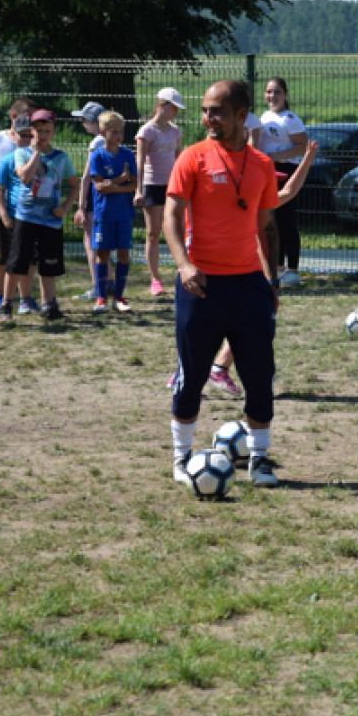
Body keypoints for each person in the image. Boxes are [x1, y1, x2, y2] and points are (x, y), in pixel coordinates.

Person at [163, 79, 282, 488]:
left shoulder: (262, 165)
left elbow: (267, 227)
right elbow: (171, 215)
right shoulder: (192, 158)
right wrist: (184, 265)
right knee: (192, 375)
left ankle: (260, 460)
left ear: (241, 114)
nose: (208, 119)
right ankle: (181, 459)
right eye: (205, 111)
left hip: (249, 285)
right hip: (200, 284)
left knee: (259, 374)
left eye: (217, 111)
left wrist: (272, 282)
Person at [172, 139, 320, 397]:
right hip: (228, 273)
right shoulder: (232, 198)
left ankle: (215, 368)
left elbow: (290, 190)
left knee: (245, 325)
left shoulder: (262, 202)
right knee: (210, 329)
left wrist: (306, 161)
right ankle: (201, 371)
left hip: (251, 274)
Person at [0, 109, 79, 322]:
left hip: (50, 220)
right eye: (39, 130)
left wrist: (65, 207)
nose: (43, 135)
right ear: (31, 131)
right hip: (26, 217)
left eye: (47, 131)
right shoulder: (22, 153)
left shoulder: (61, 157)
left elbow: (74, 185)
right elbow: (25, 177)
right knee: (17, 262)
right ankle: (6, 304)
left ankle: (48, 305)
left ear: (54, 132)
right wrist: (36, 154)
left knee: (49, 265)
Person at [0, 97, 38, 311]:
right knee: (1, 253)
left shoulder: (34, 141)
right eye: (28, 117)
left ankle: (25, 298)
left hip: (27, 206)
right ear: (14, 116)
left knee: (27, 254)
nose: (32, 123)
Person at [258, 77, 308, 286]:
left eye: (277, 92)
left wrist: (274, 157)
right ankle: (276, 266)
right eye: (269, 92)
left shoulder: (290, 119)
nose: (272, 96)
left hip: (286, 171)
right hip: (268, 172)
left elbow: (302, 146)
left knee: (287, 220)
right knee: (272, 219)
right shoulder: (264, 116)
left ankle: (293, 269)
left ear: (285, 94)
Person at [88, 110, 140, 312]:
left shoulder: (128, 155)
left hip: (124, 213)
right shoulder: (98, 156)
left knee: (124, 254)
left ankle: (119, 297)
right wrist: (120, 180)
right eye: (114, 131)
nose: (118, 135)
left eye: (121, 131)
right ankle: (101, 298)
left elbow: (133, 185)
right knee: (103, 254)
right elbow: (100, 187)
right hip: (103, 214)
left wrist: (115, 186)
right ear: (103, 133)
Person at [135, 87, 185, 297]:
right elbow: (139, 161)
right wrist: (138, 190)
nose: (176, 113)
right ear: (162, 105)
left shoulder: (175, 131)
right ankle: (155, 279)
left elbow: (180, 160)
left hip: (173, 186)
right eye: (174, 108)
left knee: (179, 231)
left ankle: (184, 272)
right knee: (153, 233)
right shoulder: (146, 131)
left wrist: (185, 187)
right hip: (152, 185)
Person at [71, 101, 115, 300]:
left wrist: (81, 206)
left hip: (94, 197)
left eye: (84, 120)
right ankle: (109, 282)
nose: (83, 123)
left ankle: (98, 286)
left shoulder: (96, 142)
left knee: (91, 242)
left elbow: (87, 176)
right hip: (107, 195)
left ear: (94, 122)